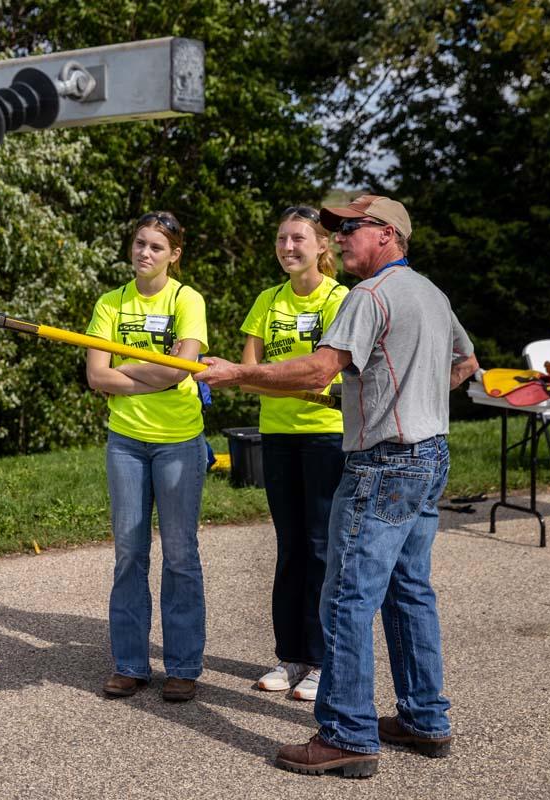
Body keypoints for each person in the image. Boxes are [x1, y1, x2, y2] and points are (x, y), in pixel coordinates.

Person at [194, 195, 479, 777]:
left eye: (351, 228)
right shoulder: (431, 293)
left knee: (347, 596)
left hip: (383, 466)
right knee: (409, 591)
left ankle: (347, 733)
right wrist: (406, 398)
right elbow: (464, 364)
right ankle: (425, 718)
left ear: (388, 235)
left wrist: (236, 372)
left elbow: (318, 369)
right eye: (337, 228)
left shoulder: (367, 296)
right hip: (430, 456)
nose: (340, 236)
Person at [85, 210, 209, 703]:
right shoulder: (110, 302)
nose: (144, 253)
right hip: (126, 443)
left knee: (180, 555)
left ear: (173, 255)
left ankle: (182, 666)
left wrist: (130, 369)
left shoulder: (187, 299)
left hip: (179, 440)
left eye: (156, 247)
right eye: (139, 244)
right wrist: (152, 370)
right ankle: (130, 664)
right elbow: (97, 376)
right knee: (129, 554)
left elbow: (181, 370)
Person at [241, 206, 348, 703]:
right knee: (290, 548)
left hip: (326, 434)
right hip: (278, 433)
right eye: (282, 239)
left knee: (322, 548)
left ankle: (324, 660)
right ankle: (292, 657)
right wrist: (275, 380)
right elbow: (248, 370)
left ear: (323, 245)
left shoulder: (340, 299)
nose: (288, 247)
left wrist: (275, 379)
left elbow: (323, 371)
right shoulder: (266, 300)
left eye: (298, 239)